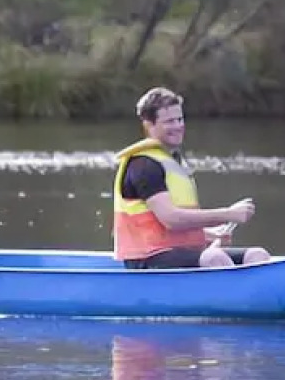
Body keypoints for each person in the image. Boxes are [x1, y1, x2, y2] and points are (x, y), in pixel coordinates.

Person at [112, 86, 271, 269]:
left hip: (178, 253)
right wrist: (228, 214)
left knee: (257, 255)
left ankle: (254, 296)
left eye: (180, 119)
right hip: (148, 259)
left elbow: (165, 227)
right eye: (169, 121)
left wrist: (211, 235)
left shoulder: (172, 162)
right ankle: (231, 297)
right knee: (214, 259)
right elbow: (170, 219)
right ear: (149, 125)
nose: (178, 126)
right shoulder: (144, 165)